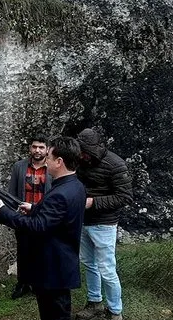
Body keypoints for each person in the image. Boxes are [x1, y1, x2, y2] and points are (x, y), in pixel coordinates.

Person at [0, 137, 86, 320]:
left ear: (59, 162)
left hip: (53, 268)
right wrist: (34, 208)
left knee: (54, 314)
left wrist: (4, 213)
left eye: (49, 157)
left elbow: (38, 226)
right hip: (61, 263)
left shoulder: (59, 193)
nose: (46, 161)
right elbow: (58, 216)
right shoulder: (75, 186)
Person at [74, 128, 133, 320]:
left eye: (84, 151)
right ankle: (94, 303)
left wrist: (93, 202)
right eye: (79, 151)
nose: (81, 155)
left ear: (94, 148)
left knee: (107, 269)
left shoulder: (115, 164)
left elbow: (124, 197)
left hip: (105, 224)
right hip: (83, 221)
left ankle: (115, 312)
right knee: (89, 264)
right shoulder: (80, 161)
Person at [7, 135, 53, 299]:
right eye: (34, 147)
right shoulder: (19, 167)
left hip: (44, 216)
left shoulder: (52, 169)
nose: (37, 150)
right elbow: (12, 193)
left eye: (41, 147)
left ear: (47, 149)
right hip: (23, 216)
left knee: (42, 250)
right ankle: (22, 283)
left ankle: (39, 283)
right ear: (30, 148)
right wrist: (12, 214)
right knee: (23, 250)